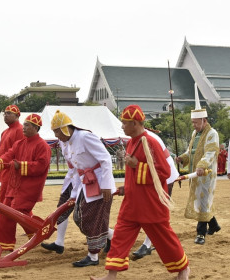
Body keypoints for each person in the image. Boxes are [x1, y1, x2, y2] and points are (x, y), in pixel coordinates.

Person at [90, 104, 189, 280]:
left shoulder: (150, 141)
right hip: (132, 202)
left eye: (124, 123)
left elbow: (164, 172)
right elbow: (134, 175)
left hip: (151, 203)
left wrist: (137, 166)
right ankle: (111, 275)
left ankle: (183, 270)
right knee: (120, 236)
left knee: (164, 239)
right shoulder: (131, 142)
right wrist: (125, 189)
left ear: (135, 123)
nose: (121, 126)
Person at [42, 110, 116, 267]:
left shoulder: (84, 137)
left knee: (89, 218)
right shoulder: (67, 142)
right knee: (80, 217)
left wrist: (107, 185)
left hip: (101, 184)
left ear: (65, 128)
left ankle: (93, 257)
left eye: (57, 131)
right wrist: (74, 193)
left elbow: (106, 159)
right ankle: (112, 236)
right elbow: (76, 170)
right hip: (86, 183)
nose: (56, 135)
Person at [0, 114, 51, 252]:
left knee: (15, 212)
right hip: (15, 186)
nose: (23, 127)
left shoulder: (43, 146)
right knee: (5, 212)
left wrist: (21, 165)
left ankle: (37, 231)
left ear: (36, 128)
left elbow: (41, 166)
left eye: (27, 125)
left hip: (30, 187)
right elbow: (8, 155)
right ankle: (4, 244)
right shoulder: (19, 144)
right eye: (24, 125)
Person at [176, 90, 220, 245]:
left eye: (196, 122)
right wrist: (182, 158)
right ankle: (214, 225)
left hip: (206, 174)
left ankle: (201, 234)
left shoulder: (212, 133)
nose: (194, 125)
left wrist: (201, 165)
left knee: (203, 202)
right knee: (204, 202)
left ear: (204, 120)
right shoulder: (195, 134)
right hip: (195, 174)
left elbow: (211, 152)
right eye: (193, 122)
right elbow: (190, 151)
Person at [132, 128, 180, 259]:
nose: (122, 127)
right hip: (149, 178)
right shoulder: (134, 138)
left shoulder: (149, 139)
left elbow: (162, 168)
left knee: (155, 213)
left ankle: (147, 244)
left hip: (163, 178)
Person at [0, 105, 25, 241]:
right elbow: (7, 151)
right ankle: (31, 227)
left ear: (17, 115)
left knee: (5, 202)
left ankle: (0, 231)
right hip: (4, 170)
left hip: (12, 172)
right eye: (5, 114)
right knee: (14, 203)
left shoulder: (20, 130)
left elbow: (18, 152)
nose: (6, 116)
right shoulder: (4, 132)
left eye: (9, 113)